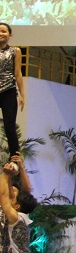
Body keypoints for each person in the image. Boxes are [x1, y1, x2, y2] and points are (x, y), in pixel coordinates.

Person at [0, 24, 24, 171]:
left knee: (9, 126)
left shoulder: (15, 51)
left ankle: (14, 158)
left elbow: (18, 73)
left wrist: (22, 94)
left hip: (8, 91)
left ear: (10, 35)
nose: (0, 33)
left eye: (4, 31)